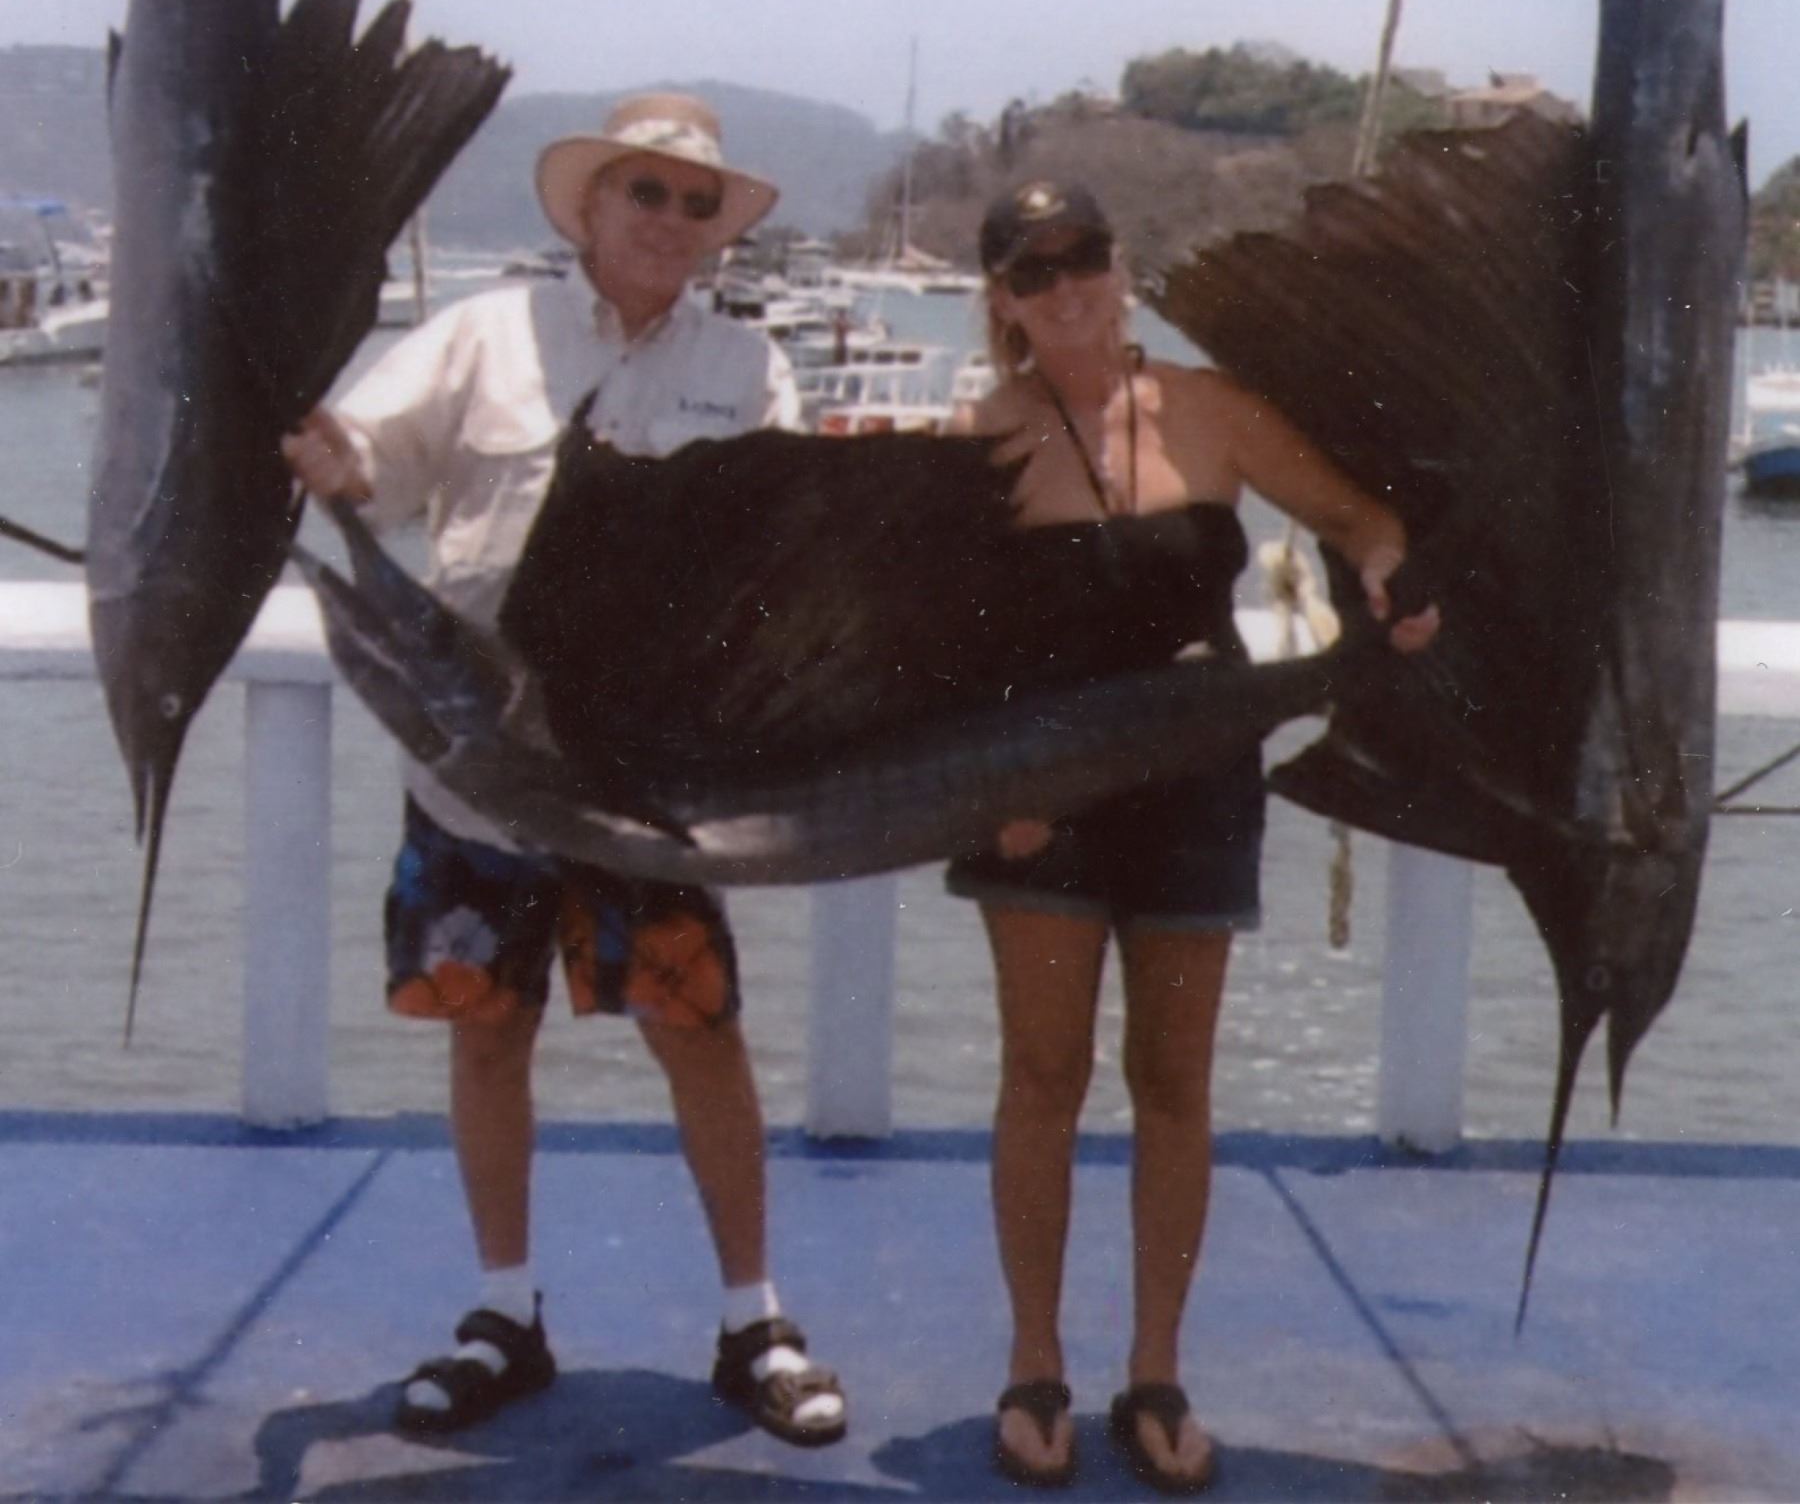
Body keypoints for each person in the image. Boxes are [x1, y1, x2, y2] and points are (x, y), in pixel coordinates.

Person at [281, 93, 848, 1447]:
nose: (668, 217)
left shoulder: (750, 367)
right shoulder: (484, 333)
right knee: (488, 1031)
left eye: (694, 202)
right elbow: (365, 472)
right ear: (589, 205)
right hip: (478, 771)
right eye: (643, 190)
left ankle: (753, 1321)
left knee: (698, 1032)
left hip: (646, 781)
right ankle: (504, 1314)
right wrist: (307, 439)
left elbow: (786, 568)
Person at [947, 179, 1439, 1492]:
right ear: (1001, 300)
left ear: (1122, 266)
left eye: (1084, 258)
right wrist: (995, 793)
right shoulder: (974, 437)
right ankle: (1035, 1366)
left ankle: (1156, 1373)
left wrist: (1387, 575)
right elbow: (938, 642)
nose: (1066, 288)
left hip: (1197, 781)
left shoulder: (1211, 411)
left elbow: (1363, 520)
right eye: (1033, 271)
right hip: (1039, 793)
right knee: (1041, 1076)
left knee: (1173, 1083)